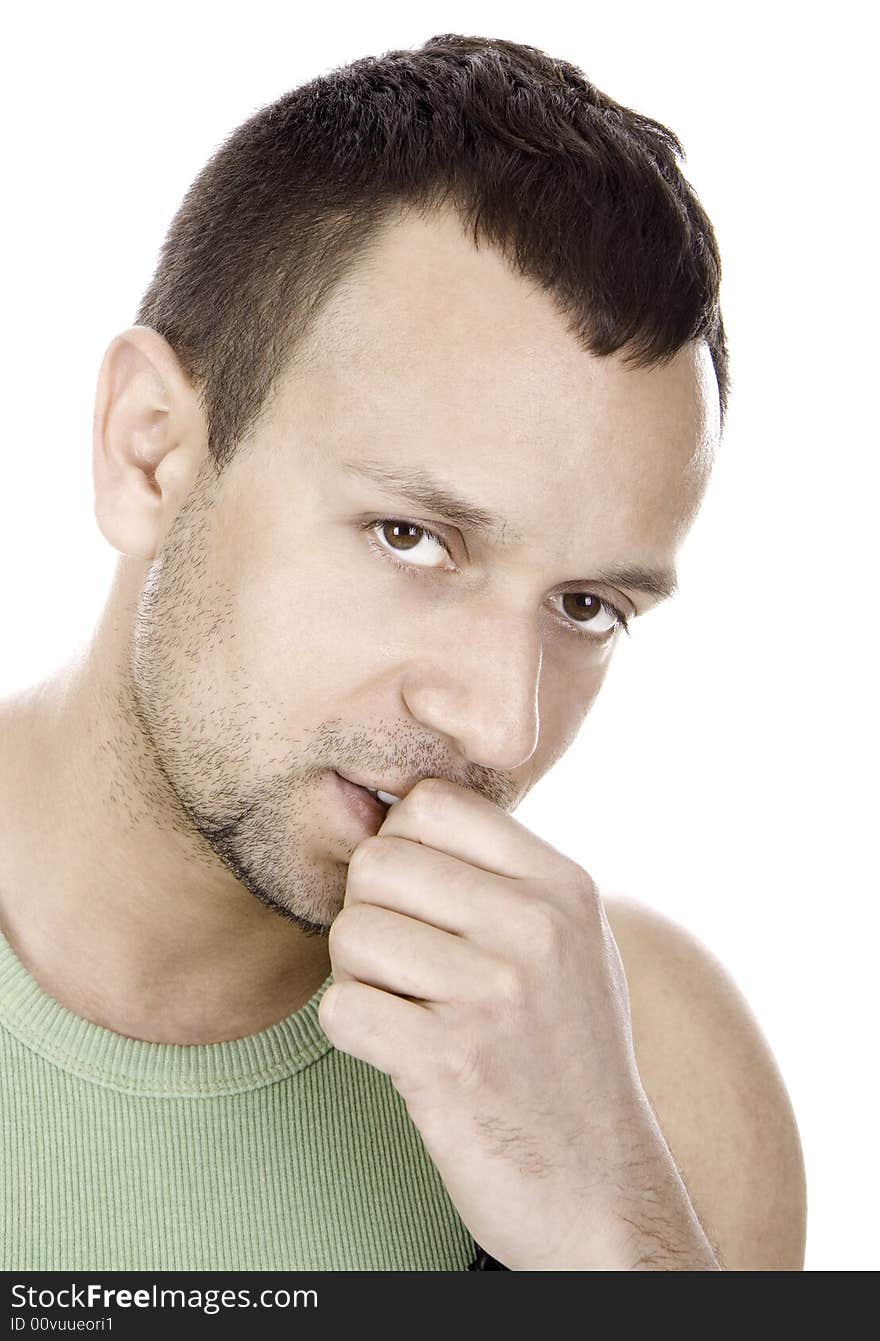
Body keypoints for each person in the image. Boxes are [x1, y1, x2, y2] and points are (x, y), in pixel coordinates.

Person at [0, 32, 806, 1272]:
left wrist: (609, 1231)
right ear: (150, 450)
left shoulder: (651, 1075)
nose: (500, 725)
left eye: (586, 607)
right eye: (413, 537)